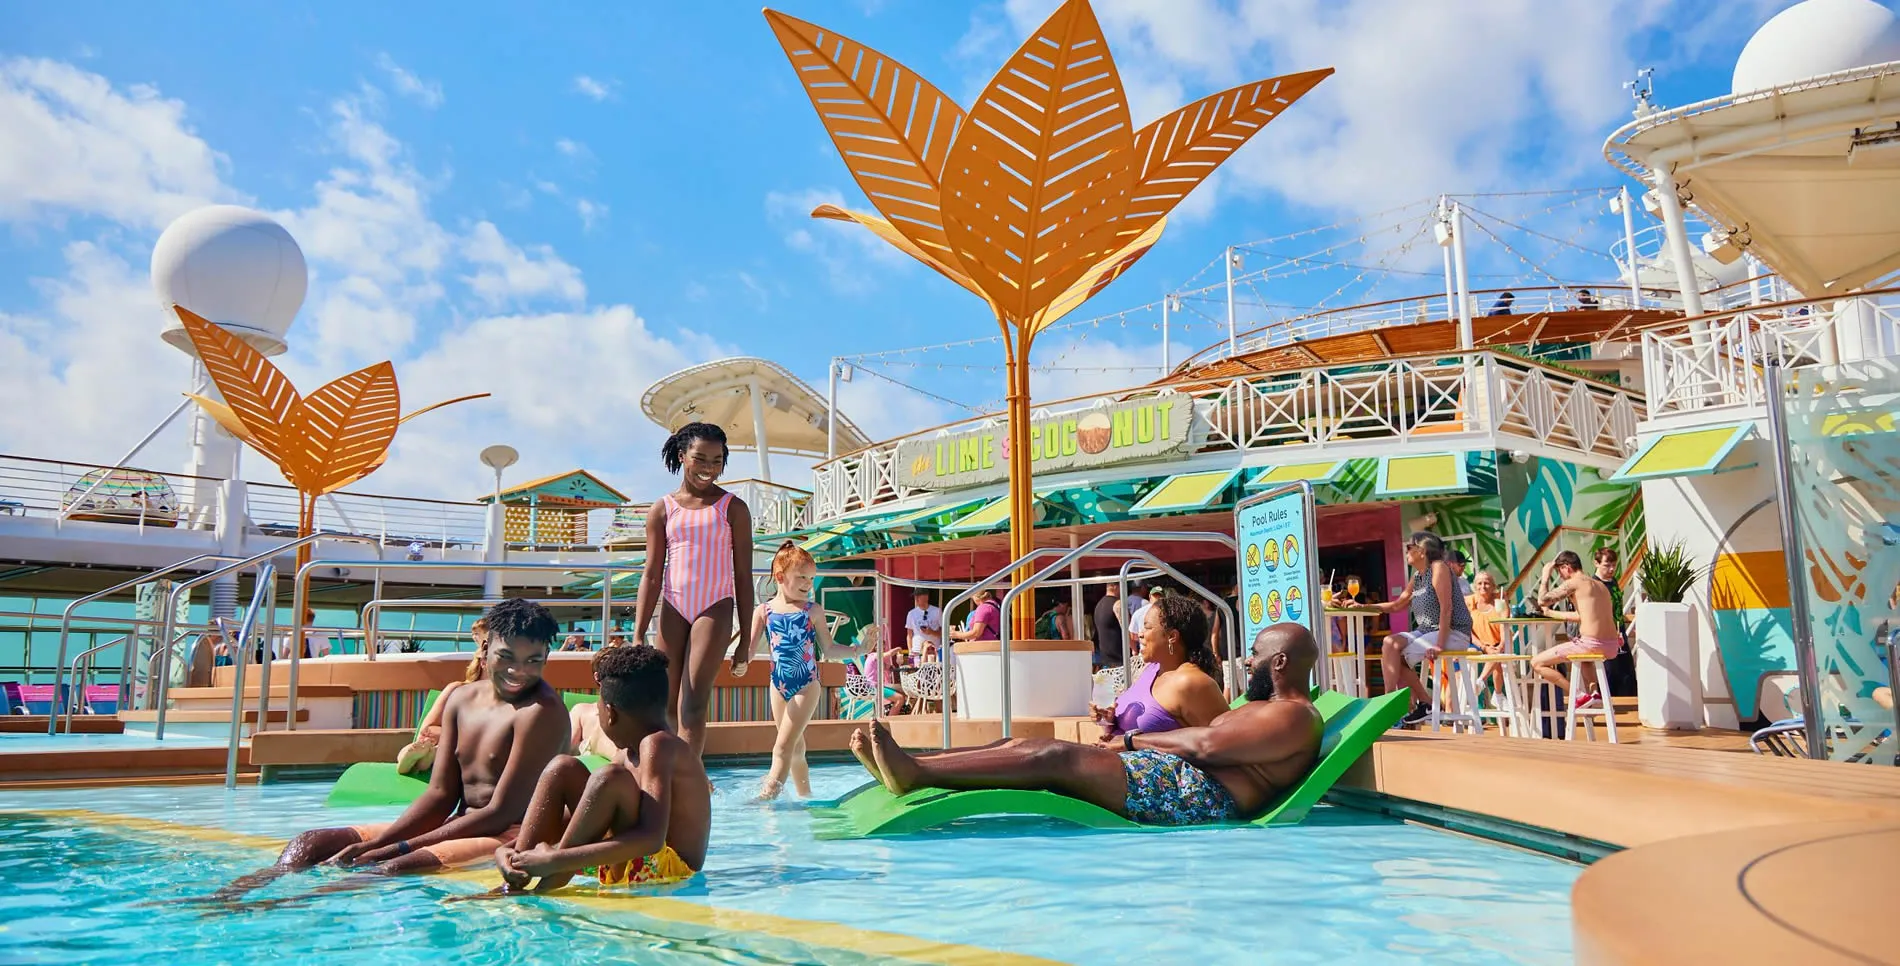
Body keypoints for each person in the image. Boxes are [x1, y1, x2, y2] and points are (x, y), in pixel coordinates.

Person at [196, 599, 569, 905]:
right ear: (485, 649)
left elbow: (500, 812)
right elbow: (440, 795)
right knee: (310, 843)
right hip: (458, 821)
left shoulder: (540, 712)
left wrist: (390, 847)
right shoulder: (459, 699)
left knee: (389, 867)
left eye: (534, 660)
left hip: (508, 834)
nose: (519, 671)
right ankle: (234, 895)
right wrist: (380, 841)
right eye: (507, 657)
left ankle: (280, 908)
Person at [849, 623, 1324, 826]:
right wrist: (1131, 741)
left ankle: (916, 773)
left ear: (1279, 661)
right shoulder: (1261, 706)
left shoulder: (1295, 716)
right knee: (1024, 743)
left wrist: (1132, 740)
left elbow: (1207, 744)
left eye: (1256, 654)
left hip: (1199, 797)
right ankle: (917, 763)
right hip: (1175, 777)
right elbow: (1205, 741)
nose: (1246, 659)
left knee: (1055, 757)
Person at [486, 644, 711, 893]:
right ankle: (517, 867)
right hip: (634, 863)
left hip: (670, 871)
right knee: (562, 767)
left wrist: (556, 859)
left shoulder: (658, 745)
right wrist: (508, 847)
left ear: (610, 712)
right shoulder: (627, 754)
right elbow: (584, 816)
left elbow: (651, 839)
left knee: (608, 777)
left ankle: (546, 881)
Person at [633, 422, 755, 759]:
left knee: (693, 700)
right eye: (700, 458)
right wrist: (638, 632)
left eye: (717, 461)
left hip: (714, 607)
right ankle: (670, 770)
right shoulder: (662, 509)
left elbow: (743, 576)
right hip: (673, 606)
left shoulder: (733, 508)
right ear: (681, 455)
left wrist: (745, 641)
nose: (708, 469)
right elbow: (652, 575)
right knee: (667, 701)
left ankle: (690, 777)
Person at [734, 541, 840, 800]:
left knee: (782, 747)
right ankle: (806, 796)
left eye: (812, 578)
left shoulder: (812, 610)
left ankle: (766, 798)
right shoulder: (764, 611)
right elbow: (750, 649)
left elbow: (830, 648)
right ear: (780, 577)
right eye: (802, 577)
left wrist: (860, 649)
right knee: (795, 749)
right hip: (778, 685)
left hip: (806, 683)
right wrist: (741, 663)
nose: (808, 583)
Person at [1092, 595, 1229, 740]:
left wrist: (1133, 743)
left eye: (1147, 627)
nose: (1140, 634)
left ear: (1172, 636)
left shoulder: (1190, 682)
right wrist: (1108, 720)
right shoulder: (1151, 669)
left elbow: (1222, 744)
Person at [1373, 532, 1474, 727]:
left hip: (1453, 631)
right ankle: (1399, 703)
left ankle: (1394, 707)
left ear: (1422, 550)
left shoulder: (1439, 568)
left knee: (1399, 656)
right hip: (1427, 630)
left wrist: (1439, 645)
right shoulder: (1418, 576)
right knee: (1389, 643)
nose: (1406, 551)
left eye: (1409, 547)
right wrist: (1363, 607)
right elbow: (1397, 605)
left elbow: (1447, 609)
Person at [397, 619, 491, 775]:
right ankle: (416, 757)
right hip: (445, 744)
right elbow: (427, 729)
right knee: (421, 745)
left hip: (460, 749)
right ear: (481, 663)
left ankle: (424, 759)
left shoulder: (507, 697)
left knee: (437, 748)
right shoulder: (457, 689)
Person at [1532, 551, 1620, 708]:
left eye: (1559, 572)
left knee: (1537, 663)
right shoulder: (1600, 585)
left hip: (1592, 643)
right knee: (1585, 659)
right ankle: (1594, 693)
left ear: (1566, 567)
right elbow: (1582, 616)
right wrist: (1551, 614)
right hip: (1612, 645)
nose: (1560, 576)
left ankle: (1579, 695)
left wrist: (1545, 576)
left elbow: (1542, 600)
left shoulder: (1575, 582)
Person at [1092, 583, 1125, 669]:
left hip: (1105, 659)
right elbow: (1126, 629)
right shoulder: (1118, 604)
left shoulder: (1098, 606)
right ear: (1115, 587)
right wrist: (1134, 650)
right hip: (1119, 659)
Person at [904, 589, 943, 661]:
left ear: (926, 597)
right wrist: (910, 651)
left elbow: (944, 633)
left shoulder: (937, 611)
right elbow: (909, 635)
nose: (916, 599)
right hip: (916, 652)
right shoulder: (911, 613)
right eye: (915, 597)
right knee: (916, 671)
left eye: (919, 596)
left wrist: (931, 632)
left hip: (933, 652)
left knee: (934, 672)